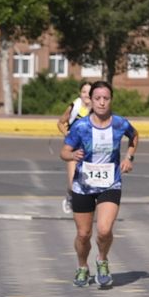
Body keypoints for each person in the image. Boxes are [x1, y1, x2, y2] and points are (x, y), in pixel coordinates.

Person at [61, 81, 138, 289]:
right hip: (83, 186)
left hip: (110, 183)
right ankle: (82, 266)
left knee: (104, 231)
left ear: (111, 100)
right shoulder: (81, 126)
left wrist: (129, 157)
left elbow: (134, 136)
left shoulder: (120, 123)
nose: (102, 103)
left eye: (106, 98)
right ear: (91, 101)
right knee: (83, 235)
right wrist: (72, 154)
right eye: (98, 99)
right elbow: (63, 152)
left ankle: (102, 261)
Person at [57, 82, 94, 214]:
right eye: (84, 92)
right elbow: (61, 123)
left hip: (90, 149)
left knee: (90, 181)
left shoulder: (98, 108)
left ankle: (88, 207)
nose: (87, 95)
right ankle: (69, 196)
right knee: (73, 182)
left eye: (89, 92)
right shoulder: (75, 106)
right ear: (80, 93)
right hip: (74, 149)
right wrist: (67, 133)